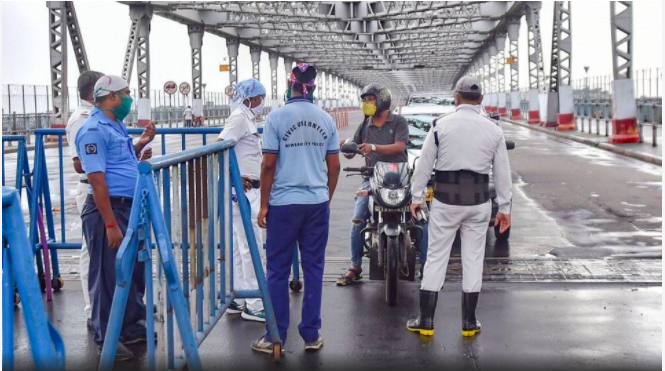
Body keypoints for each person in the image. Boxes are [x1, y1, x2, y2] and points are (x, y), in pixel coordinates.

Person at [406, 76, 512, 337]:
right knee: (474, 259)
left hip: (445, 201)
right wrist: (505, 208)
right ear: (482, 99)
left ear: (456, 97)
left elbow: (424, 165)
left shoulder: (440, 127)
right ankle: (468, 323)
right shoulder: (494, 130)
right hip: (478, 203)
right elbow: (502, 173)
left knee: (436, 257)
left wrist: (416, 197)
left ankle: (427, 321)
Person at [251, 63, 340, 355]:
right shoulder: (326, 119)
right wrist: (325, 197)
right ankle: (311, 335)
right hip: (316, 203)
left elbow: (267, 164)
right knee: (314, 268)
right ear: (312, 88)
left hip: (283, 204)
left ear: (290, 86)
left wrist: (264, 204)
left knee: (277, 271)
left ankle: (274, 337)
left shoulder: (276, 118)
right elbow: (334, 165)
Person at [76, 75, 156, 361]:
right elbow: (97, 180)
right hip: (108, 210)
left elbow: (121, 160)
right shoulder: (93, 130)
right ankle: (106, 339)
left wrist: (142, 143)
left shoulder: (115, 125)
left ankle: (131, 326)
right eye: (125, 93)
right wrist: (110, 223)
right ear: (109, 97)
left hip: (128, 207)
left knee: (132, 270)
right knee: (106, 275)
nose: (129, 98)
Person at [335, 84, 428, 286]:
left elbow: (400, 146)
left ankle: (428, 267)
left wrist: (374, 147)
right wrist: (347, 146)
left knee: (421, 217)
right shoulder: (365, 124)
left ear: (382, 100)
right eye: (365, 100)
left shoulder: (399, 122)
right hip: (372, 178)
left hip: (400, 178)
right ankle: (355, 266)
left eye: (371, 99)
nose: (367, 103)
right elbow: (354, 146)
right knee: (358, 218)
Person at [217, 78, 267, 322]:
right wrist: (233, 175)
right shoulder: (239, 117)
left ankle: (238, 296)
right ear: (250, 98)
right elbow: (220, 146)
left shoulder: (247, 116)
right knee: (251, 246)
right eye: (260, 98)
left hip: (246, 189)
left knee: (239, 247)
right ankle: (255, 303)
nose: (262, 102)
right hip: (243, 190)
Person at [66, 70, 104, 332]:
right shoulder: (82, 119)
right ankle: (93, 309)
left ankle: (104, 306)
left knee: (100, 251)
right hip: (91, 189)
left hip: (100, 187)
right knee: (91, 252)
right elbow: (83, 164)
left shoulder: (95, 116)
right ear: (94, 91)